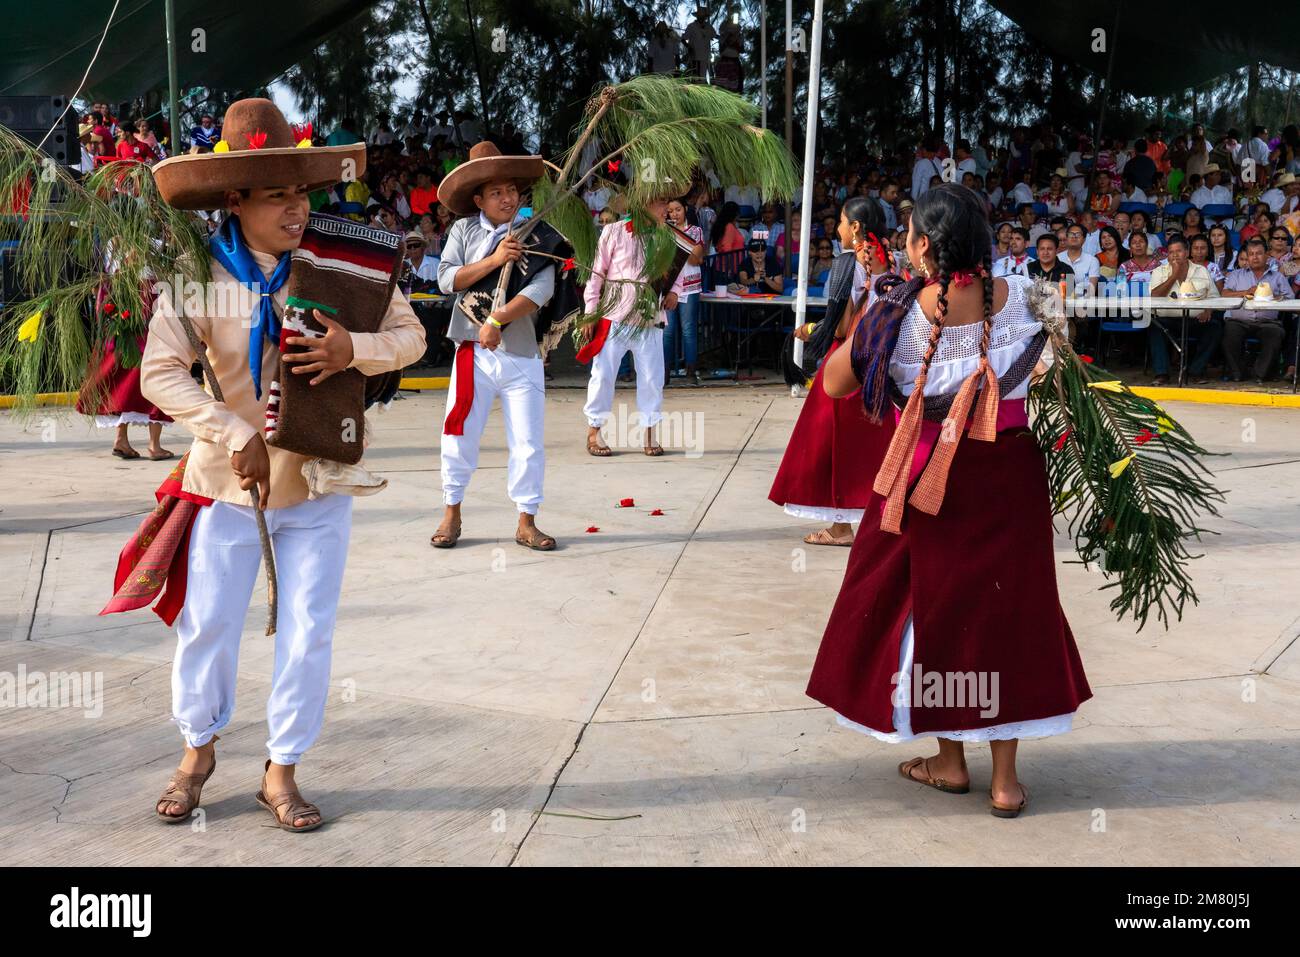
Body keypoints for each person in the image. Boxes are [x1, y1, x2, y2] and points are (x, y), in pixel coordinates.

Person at [135, 98, 425, 831]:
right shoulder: (196, 274)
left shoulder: (344, 259)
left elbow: (413, 335)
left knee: (309, 627)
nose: (297, 208)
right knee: (209, 622)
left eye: (301, 191)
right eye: (276, 196)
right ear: (235, 201)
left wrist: (350, 350)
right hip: (227, 483)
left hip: (321, 477)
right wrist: (232, 430)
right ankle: (196, 751)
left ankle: (282, 768)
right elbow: (158, 374)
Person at [808, 182, 1092, 817]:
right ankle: (1006, 782)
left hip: (932, 476)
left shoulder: (901, 313)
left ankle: (950, 760)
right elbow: (1065, 377)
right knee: (1010, 612)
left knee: (936, 607)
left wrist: (868, 320)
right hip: (1012, 475)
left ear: (926, 246)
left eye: (910, 234)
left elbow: (832, 384)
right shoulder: (1032, 295)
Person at [433, 141, 560, 549]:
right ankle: (451, 512)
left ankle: (527, 520)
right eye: (496, 193)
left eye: (511, 191)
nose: (507, 199)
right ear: (478, 199)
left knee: (527, 440)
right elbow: (446, 279)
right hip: (473, 352)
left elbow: (543, 287)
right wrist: (494, 258)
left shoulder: (534, 229)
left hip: (521, 352)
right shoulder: (463, 230)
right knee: (459, 433)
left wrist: (496, 319)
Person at [770, 197, 895, 547]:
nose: (837, 228)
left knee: (829, 438)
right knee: (875, 441)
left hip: (849, 359)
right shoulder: (889, 257)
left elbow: (842, 325)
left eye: (841, 222)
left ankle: (840, 526)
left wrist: (816, 330)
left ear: (855, 227)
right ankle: (879, 515)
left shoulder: (849, 262)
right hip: (880, 358)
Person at [581, 189, 690, 457]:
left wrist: (676, 291)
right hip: (614, 315)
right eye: (661, 202)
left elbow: (678, 271)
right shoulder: (614, 231)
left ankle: (650, 432)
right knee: (603, 375)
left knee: (653, 378)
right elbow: (597, 273)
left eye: (667, 202)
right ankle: (594, 431)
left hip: (650, 316)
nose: (666, 207)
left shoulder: (667, 237)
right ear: (644, 204)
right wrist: (590, 311)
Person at [1147, 233, 1220, 385]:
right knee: (1154, 327)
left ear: (1187, 252)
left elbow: (1214, 297)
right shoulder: (1159, 271)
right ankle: (1162, 373)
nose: (1175, 255)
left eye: (1178, 251)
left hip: (1194, 320)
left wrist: (1208, 311)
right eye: (1171, 252)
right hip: (1167, 320)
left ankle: (1196, 371)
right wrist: (1173, 276)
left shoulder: (1201, 271)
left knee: (1215, 327)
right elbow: (1154, 296)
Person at [1221, 237, 1293, 382]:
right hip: (1239, 321)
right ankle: (1239, 372)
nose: (1255, 257)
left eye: (1259, 253)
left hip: (1267, 322)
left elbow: (1290, 299)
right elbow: (1224, 294)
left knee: (1275, 334)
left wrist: (1273, 296)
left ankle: (1259, 374)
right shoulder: (1236, 275)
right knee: (1229, 335)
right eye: (1251, 254)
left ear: (1267, 256)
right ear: (1247, 257)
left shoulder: (1278, 277)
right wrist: (1245, 292)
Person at [663, 196, 707, 386]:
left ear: (686, 209)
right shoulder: (663, 231)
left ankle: (690, 371)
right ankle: (663, 373)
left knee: (689, 330)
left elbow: (695, 259)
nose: (674, 214)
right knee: (667, 331)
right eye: (670, 211)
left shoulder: (696, 231)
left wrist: (678, 247)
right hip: (669, 287)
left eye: (678, 210)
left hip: (690, 286)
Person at [1061, 222, 1100, 296]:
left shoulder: (1092, 261)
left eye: (1078, 234)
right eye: (1071, 234)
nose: (1074, 237)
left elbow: (1090, 290)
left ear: (1084, 239)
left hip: (1082, 303)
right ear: (1066, 238)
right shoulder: (1057, 258)